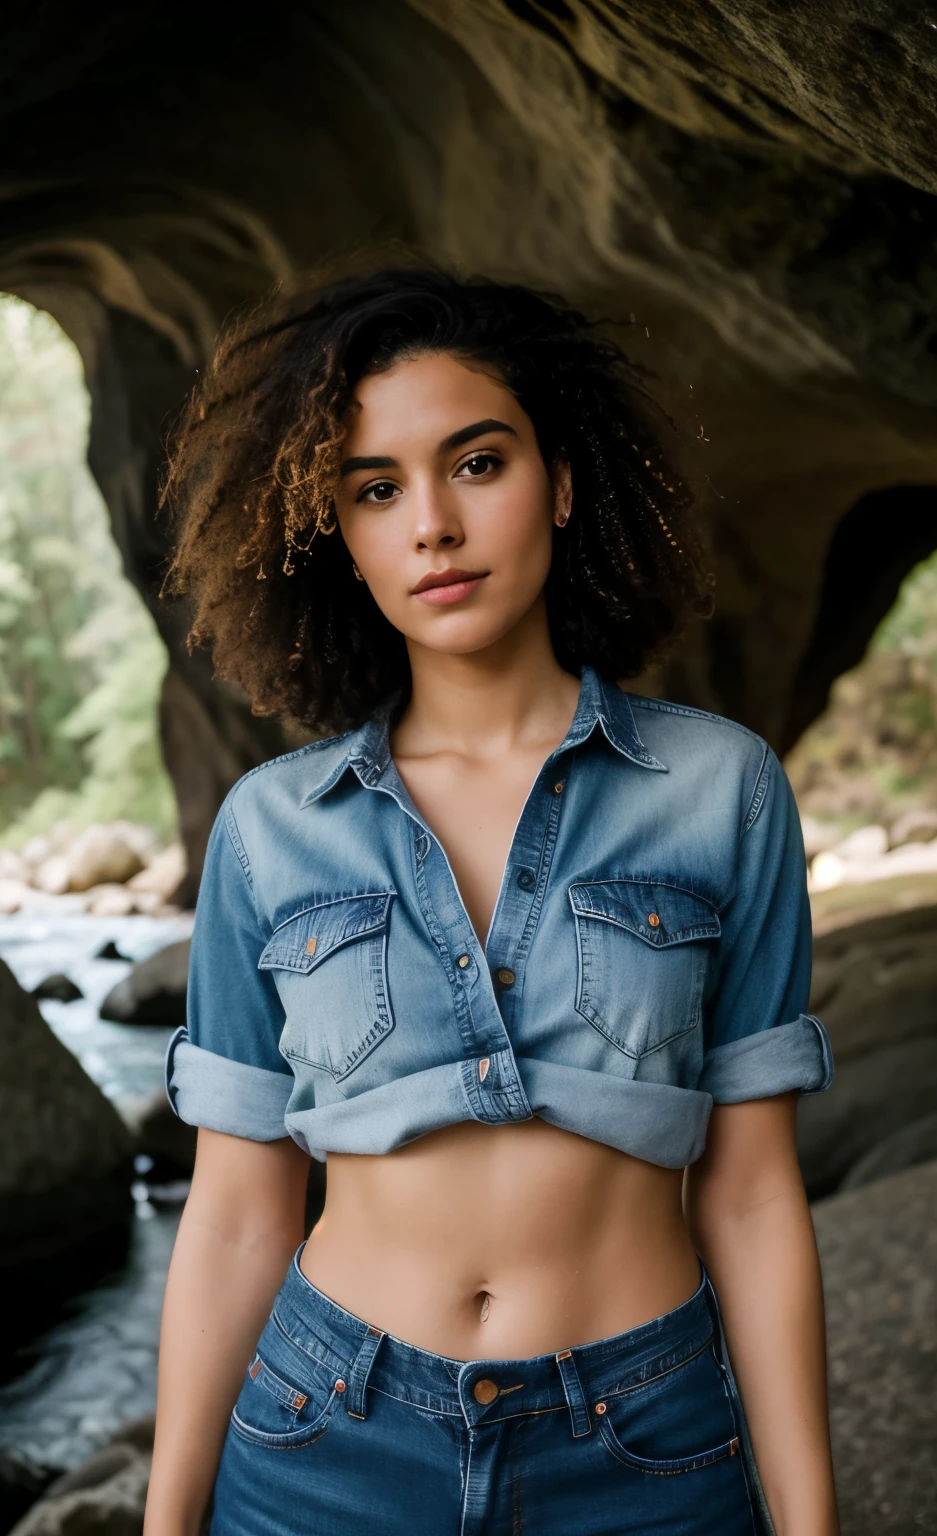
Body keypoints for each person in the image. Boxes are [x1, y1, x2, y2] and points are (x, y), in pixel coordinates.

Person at [143, 264, 837, 1536]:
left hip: (644, 1443)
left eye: (475, 464)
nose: (431, 527)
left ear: (562, 484)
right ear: (338, 539)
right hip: (323, 1440)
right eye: (374, 489)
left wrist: (808, 1523)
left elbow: (747, 1191)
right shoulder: (270, 827)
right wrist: (163, 1521)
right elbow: (240, 1212)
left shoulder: (719, 789)